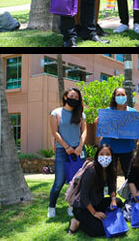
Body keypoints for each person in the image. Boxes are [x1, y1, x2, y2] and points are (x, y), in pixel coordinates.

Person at [67, 144, 124, 236]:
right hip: (82, 207)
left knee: (119, 202)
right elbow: (83, 195)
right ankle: (77, 222)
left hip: (97, 202)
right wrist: (94, 213)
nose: (104, 157)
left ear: (112, 157)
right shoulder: (92, 171)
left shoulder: (111, 170)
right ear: (97, 156)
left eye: (107, 154)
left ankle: (103, 216)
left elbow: (112, 187)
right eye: (101, 154)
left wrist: (113, 200)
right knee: (98, 231)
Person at [48, 88, 87, 219]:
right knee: (59, 181)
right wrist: (66, 147)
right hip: (62, 151)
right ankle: (51, 207)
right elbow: (55, 132)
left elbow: (84, 131)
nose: (74, 99)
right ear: (65, 97)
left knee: (76, 181)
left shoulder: (80, 114)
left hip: (78, 151)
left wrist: (80, 147)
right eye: (71, 96)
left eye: (76, 97)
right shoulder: (56, 113)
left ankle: (72, 206)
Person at [93, 88, 138, 180]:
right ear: (114, 97)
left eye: (123, 95)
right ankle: (111, 193)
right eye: (118, 95)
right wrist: (97, 124)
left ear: (126, 96)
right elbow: (101, 131)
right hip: (110, 149)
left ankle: (129, 194)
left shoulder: (133, 112)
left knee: (129, 175)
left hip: (127, 148)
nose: (120, 97)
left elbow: (136, 134)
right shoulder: (107, 112)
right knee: (110, 176)